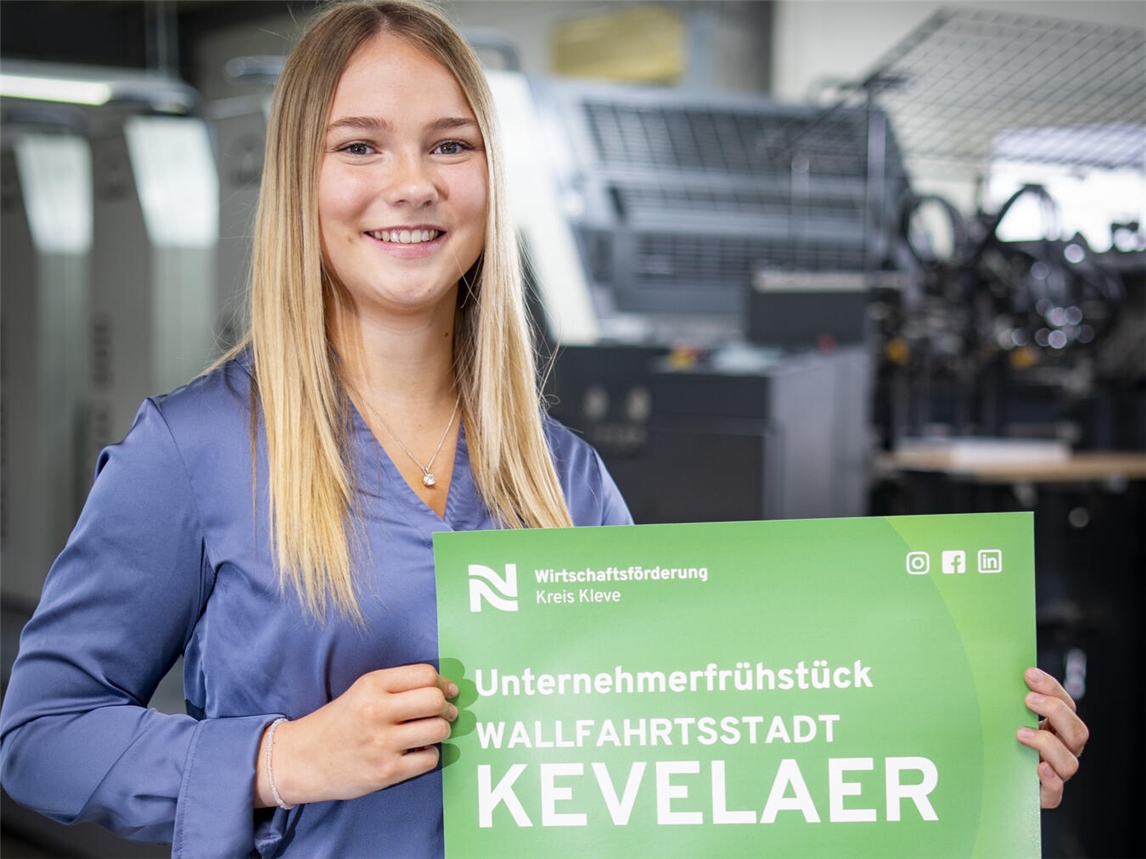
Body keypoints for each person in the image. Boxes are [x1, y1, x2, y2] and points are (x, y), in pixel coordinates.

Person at [0, 1, 1087, 857]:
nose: (413, 185)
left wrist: (964, 751)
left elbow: (695, 752)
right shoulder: (196, 450)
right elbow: (39, 736)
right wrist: (281, 758)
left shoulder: (565, 478)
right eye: (361, 147)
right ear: (299, 181)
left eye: (450, 145)